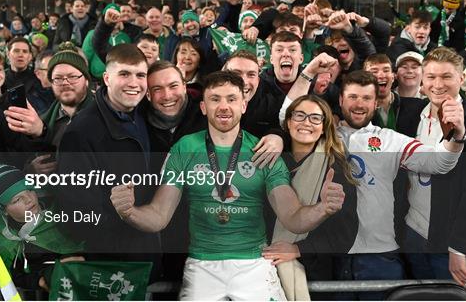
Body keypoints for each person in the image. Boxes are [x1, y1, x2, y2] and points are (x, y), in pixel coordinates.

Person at [110, 71, 345, 300]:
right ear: (203, 107)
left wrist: (322, 208)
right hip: (202, 264)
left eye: (232, 99)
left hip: (254, 263)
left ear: (243, 105)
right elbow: (159, 216)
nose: (224, 106)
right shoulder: (185, 148)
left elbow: (292, 217)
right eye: (215, 99)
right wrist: (129, 212)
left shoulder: (262, 151)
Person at [280, 69, 466, 300]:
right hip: (329, 255)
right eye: (353, 97)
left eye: (367, 98)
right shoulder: (321, 134)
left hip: (379, 255)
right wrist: (274, 136)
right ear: (340, 100)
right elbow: (288, 118)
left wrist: (457, 136)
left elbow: (438, 163)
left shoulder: (390, 139)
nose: (359, 104)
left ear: (376, 103)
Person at [400, 47, 466, 292]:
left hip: (450, 245)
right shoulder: (409, 113)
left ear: (461, 78)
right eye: (431, 77)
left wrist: (459, 247)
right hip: (412, 234)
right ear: (422, 80)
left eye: (446, 76)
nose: (438, 84)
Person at [55, 44, 162, 280]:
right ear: (106, 78)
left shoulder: (145, 112)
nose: (134, 83)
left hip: (147, 253)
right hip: (113, 264)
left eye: (140, 75)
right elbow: (78, 208)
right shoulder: (81, 132)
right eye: (124, 74)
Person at [263, 94, 358, 300]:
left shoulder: (336, 168)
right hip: (262, 263)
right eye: (299, 116)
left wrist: (298, 249)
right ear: (288, 122)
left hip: (313, 270)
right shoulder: (268, 160)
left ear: (324, 126)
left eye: (315, 118)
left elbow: (345, 234)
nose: (306, 123)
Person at [0, 164, 84, 291]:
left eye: (30, 189)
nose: (29, 200)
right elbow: (12, 276)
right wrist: (39, 281)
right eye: (17, 200)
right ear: (4, 210)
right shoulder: (5, 243)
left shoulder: (63, 208)